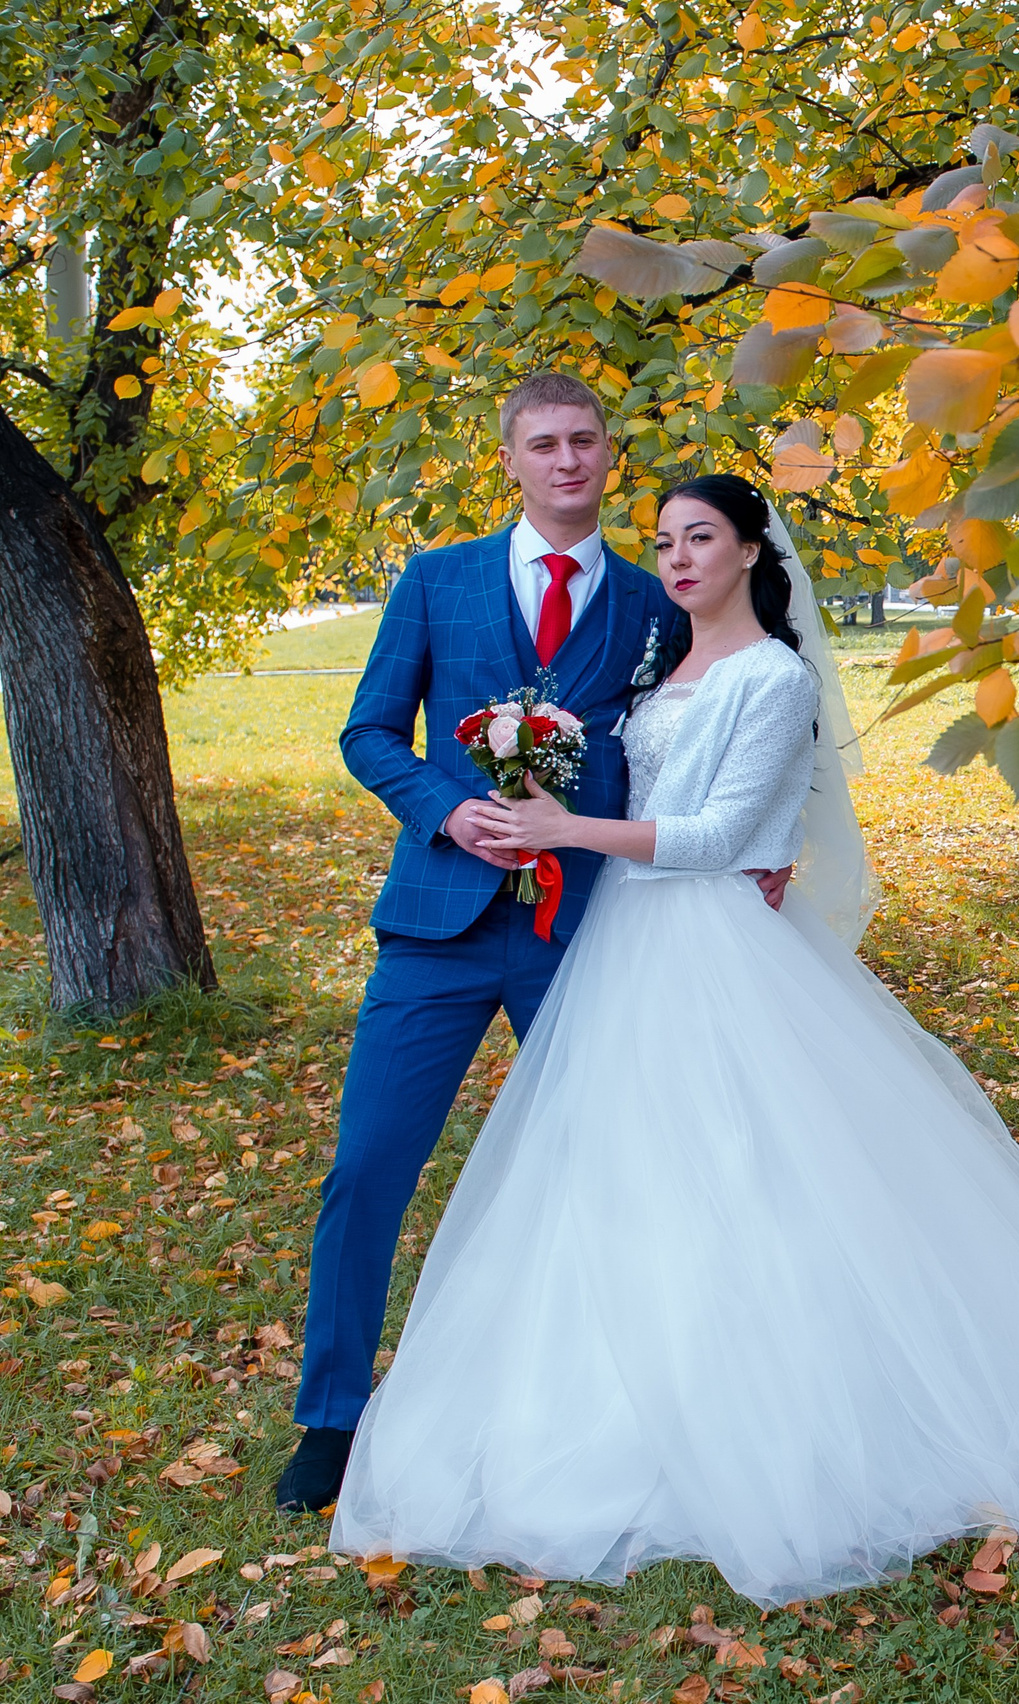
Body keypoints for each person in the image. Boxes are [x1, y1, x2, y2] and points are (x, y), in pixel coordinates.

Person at [325, 475, 1019, 1607]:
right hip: (620, 940)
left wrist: (574, 828)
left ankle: (775, 1406)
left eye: (701, 537)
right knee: (614, 1170)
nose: (677, 558)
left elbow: (715, 834)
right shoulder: (660, 662)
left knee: (746, 1165)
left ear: (754, 550)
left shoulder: (775, 676)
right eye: (664, 540)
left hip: (709, 944)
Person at [277, 374, 787, 1512]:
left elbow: (731, 717)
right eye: (544, 443)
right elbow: (369, 732)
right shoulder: (436, 579)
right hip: (438, 929)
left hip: (593, 932)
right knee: (368, 1167)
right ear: (510, 459)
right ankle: (331, 1416)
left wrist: (767, 841)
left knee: (619, 1166)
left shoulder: (657, 601)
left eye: (584, 441)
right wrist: (447, 810)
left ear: (608, 455)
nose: (567, 460)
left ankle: (631, 1404)